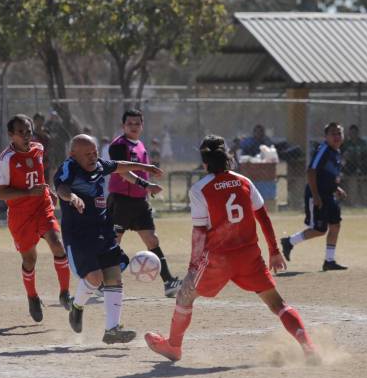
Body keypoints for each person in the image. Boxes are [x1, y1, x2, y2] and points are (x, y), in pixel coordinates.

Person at [144, 135, 319, 364]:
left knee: (184, 295)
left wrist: (192, 268)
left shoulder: (199, 189)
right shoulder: (244, 181)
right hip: (249, 256)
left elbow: (199, 233)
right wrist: (274, 250)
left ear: (205, 163)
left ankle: (174, 347)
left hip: (218, 259)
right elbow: (262, 216)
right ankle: (309, 347)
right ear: (227, 157)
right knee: (279, 305)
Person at [55, 134, 163, 344]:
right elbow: (61, 188)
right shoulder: (69, 168)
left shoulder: (98, 165)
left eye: (95, 152)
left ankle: (112, 330)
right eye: (87, 154)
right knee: (94, 278)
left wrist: (146, 170)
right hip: (79, 235)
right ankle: (76, 307)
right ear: (73, 154)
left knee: (113, 276)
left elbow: (119, 166)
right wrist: (72, 197)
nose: (93, 157)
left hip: (103, 230)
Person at [0, 114, 71, 323]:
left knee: (58, 245)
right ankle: (32, 297)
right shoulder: (5, 159)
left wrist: (48, 190)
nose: (26, 135)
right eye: (21, 132)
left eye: (28, 131)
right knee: (30, 259)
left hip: (42, 207)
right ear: (11, 135)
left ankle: (65, 293)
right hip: (20, 215)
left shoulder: (39, 148)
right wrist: (29, 192)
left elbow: (39, 176)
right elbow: (0, 193)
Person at [108, 109, 182, 297]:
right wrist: (147, 185)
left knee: (152, 240)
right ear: (123, 126)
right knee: (114, 242)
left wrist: (146, 190)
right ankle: (105, 283)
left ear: (142, 125)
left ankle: (169, 282)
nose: (133, 127)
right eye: (129, 123)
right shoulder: (118, 145)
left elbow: (142, 172)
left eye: (137, 123)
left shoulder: (140, 145)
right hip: (121, 201)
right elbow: (122, 171)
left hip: (139, 202)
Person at [280, 123, 348, 271]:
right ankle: (289, 242)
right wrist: (316, 196)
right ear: (326, 137)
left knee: (335, 225)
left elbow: (328, 175)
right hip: (316, 194)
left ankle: (329, 261)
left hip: (329, 195)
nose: (336, 137)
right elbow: (311, 172)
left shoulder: (336, 152)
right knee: (319, 230)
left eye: (339, 133)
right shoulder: (324, 150)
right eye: (333, 134)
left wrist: (336, 188)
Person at [31, 112, 53, 183]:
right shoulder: (31, 133)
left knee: (46, 180)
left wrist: (41, 133)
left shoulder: (46, 132)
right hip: (34, 160)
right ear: (34, 121)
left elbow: (49, 140)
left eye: (40, 120)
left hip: (45, 159)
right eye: (37, 120)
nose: (39, 122)